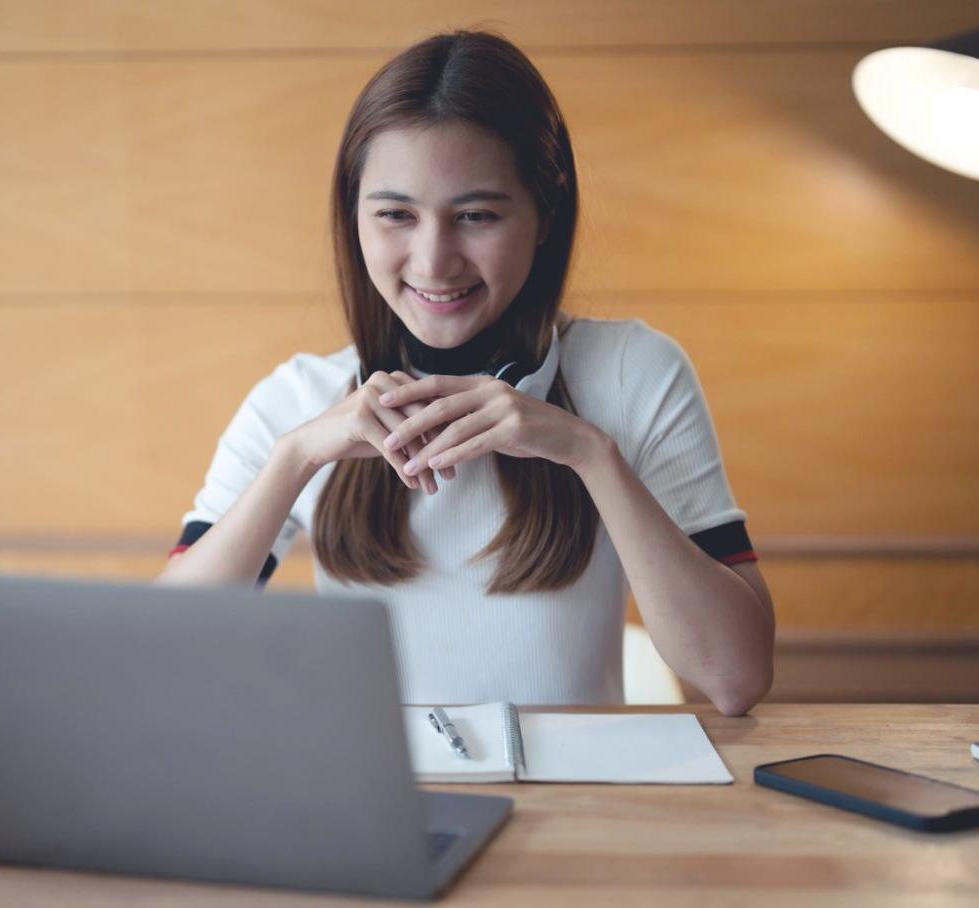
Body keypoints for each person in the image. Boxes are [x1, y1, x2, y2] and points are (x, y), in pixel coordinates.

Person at [157, 30, 774, 716]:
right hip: (380, 804)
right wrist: (296, 456)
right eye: (395, 215)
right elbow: (164, 648)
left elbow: (735, 677)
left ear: (545, 215)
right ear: (353, 217)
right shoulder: (296, 401)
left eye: (475, 215)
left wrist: (589, 454)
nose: (432, 259)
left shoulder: (635, 373)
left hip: (582, 809)